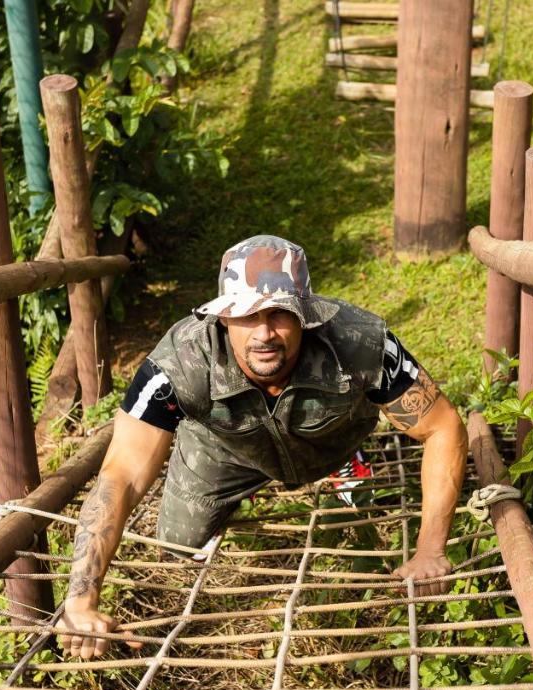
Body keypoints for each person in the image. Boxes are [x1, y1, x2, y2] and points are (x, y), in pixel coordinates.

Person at [57, 235, 468, 659]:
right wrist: (81, 601)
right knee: (177, 544)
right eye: (247, 316)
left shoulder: (360, 342)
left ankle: (347, 463)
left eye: (279, 315)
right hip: (225, 450)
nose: (264, 333)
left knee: (347, 463)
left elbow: (444, 428)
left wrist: (430, 551)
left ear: (306, 316)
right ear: (223, 319)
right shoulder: (179, 363)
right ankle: (235, 494)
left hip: (329, 438)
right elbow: (121, 475)